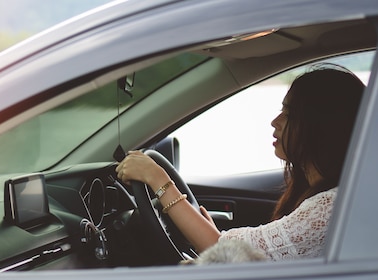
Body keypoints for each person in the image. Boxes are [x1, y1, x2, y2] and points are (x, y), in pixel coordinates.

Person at [115, 65, 366, 261]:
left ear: (322, 127)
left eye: (289, 114)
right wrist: (204, 231)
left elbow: (226, 254)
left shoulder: (330, 208)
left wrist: (159, 180)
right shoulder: (329, 197)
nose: (275, 121)